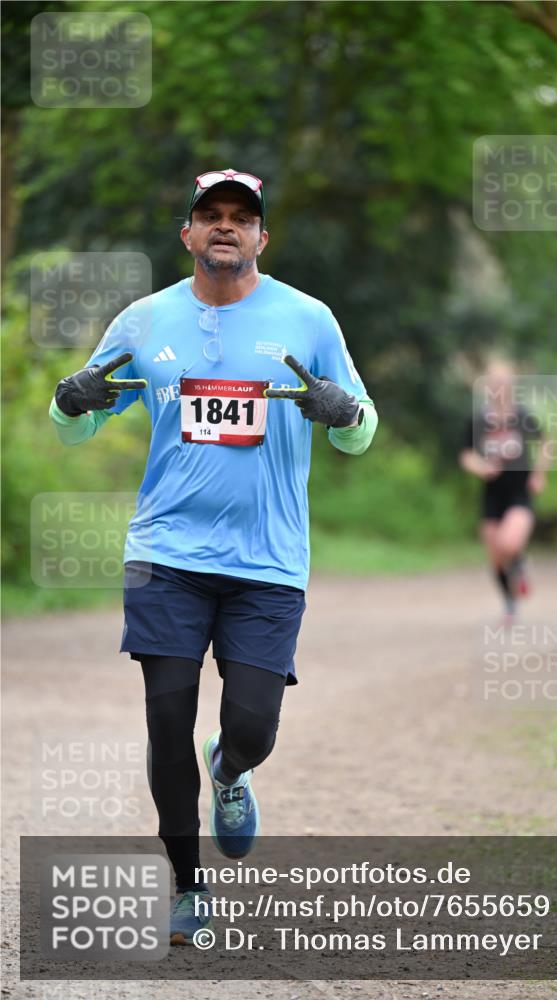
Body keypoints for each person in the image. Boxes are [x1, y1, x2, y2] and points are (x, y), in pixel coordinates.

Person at [49, 169, 378, 945]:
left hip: (267, 561)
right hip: (164, 552)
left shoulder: (308, 319)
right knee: (167, 721)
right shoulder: (144, 319)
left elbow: (360, 430)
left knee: (253, 726)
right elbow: (79, 419)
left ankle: (229, 769)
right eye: (210, 215)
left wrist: (343, 414)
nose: (225, 227)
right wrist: (70, 404)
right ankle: (188, 888)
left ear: (262, 237)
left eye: (241, 217)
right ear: (188, 234)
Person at [458, 360, 549, 619]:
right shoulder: (478, 420)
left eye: (505, 382)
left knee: (508, 543)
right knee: (496, 556)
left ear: (512, 386)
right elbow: (466, 456)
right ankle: (510, 603)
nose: (500, 388)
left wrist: (539, 474)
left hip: (519, 492)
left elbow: (545, 445)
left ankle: (520, 563)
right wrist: (480, 467)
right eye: (495, 383)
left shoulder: (522, 416)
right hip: (492, 494)